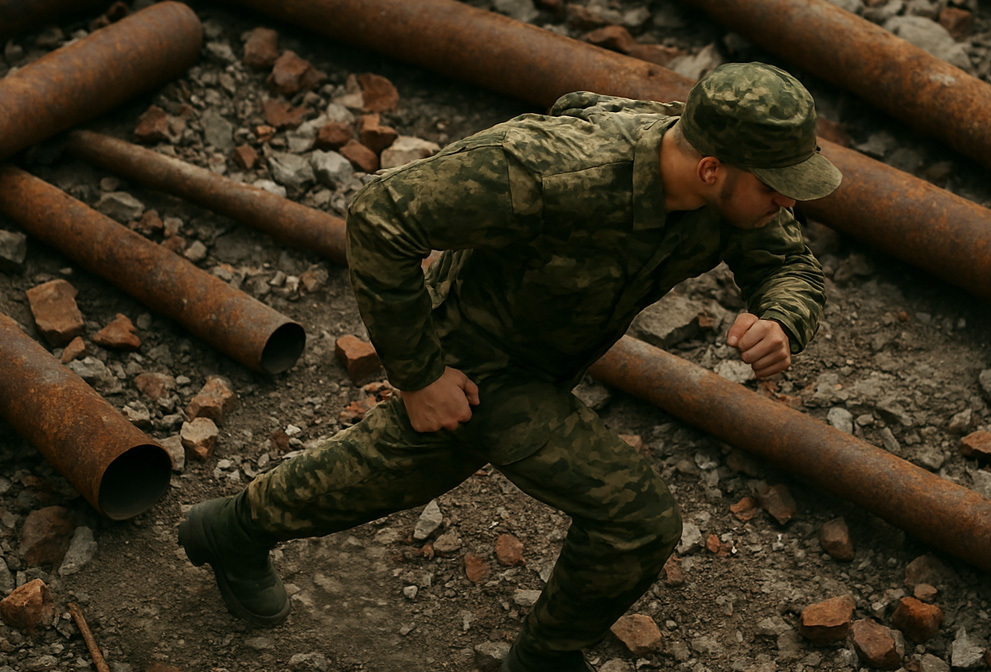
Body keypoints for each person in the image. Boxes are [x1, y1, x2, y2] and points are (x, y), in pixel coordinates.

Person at [177, 61, 841, 672]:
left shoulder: (731, 191)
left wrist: (783, 319)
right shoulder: (552, 171)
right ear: (711, 170)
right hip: (479, 360)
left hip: (549, 354)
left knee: (395, 466)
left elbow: (789, 264)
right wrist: (420, 374)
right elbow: (381, 216)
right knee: (637, 519)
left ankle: (230, 531)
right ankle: (543, 660)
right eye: (777, 189)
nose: (788, 204)